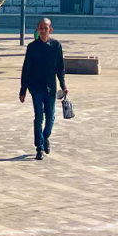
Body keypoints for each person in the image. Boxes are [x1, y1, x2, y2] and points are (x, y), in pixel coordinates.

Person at [19, 18, 68, 159]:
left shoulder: (56, 45)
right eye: (40, 27)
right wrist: (23, 90)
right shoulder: (32, 47)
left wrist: (63, 86)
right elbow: (26, 69)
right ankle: (39, 147)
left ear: (50, 30)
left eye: (45, 28)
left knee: (51, 117)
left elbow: (60, 68)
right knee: (39, 117)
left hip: (51, 87)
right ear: (37, 29)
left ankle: (45, 136)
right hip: (35, 87)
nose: (42, 30)